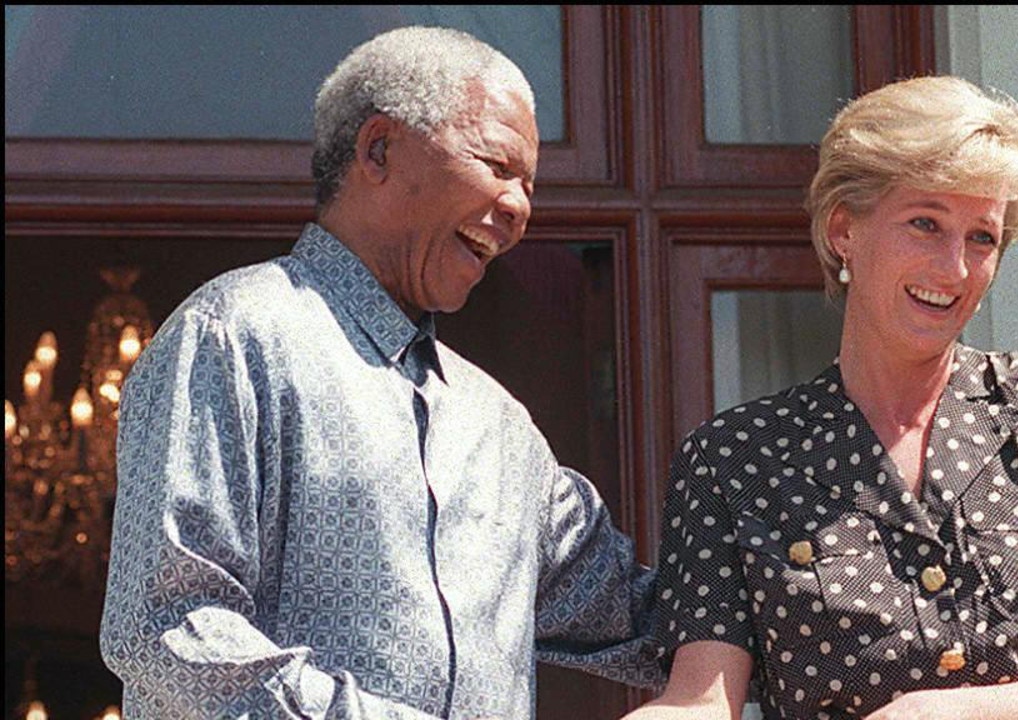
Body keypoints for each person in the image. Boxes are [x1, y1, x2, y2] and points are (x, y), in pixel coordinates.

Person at [100, 26, 660, 719]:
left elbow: (643, 617)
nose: (520, 209)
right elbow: (165, 626)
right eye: (496, 164)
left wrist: (815, 558)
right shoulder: (237, 336)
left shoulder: (501, 429)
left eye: (529, 185)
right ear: (379, 149)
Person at [626, 75, 1018, 720]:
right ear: (844, 230)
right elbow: (700, 700)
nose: (954, 269)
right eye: (925, 224)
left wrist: (933, 715)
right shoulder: (731, 457)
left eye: (982, 238)